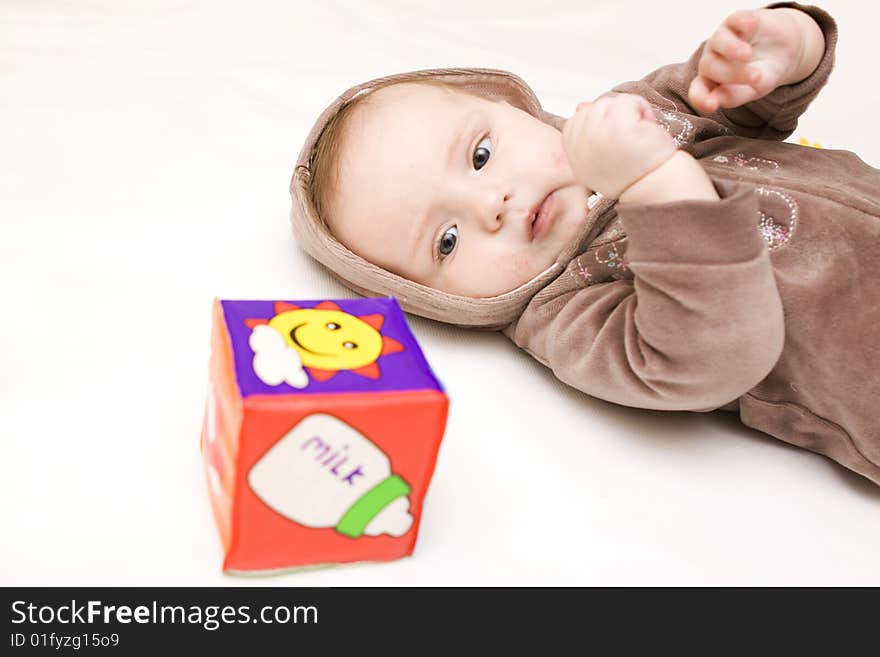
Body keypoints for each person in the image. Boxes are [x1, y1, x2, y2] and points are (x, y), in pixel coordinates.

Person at [289, 3, 880, 486]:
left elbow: (738, 101)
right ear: (436, 300)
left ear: (514, 109)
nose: (491, 203)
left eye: (481, 156)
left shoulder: (621, 121)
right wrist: (653, 184)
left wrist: (781, 52)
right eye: (447, 241)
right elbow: (714, 354)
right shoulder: (570, 318)